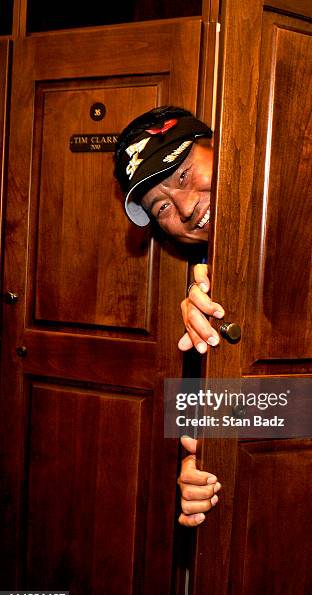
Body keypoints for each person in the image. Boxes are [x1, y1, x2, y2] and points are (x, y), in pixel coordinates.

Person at [114, 106, 222, 526]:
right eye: (160, 208)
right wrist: (203, 462)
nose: (185, 208)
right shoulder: (203, 290)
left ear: (219, 144)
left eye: (181, 174)